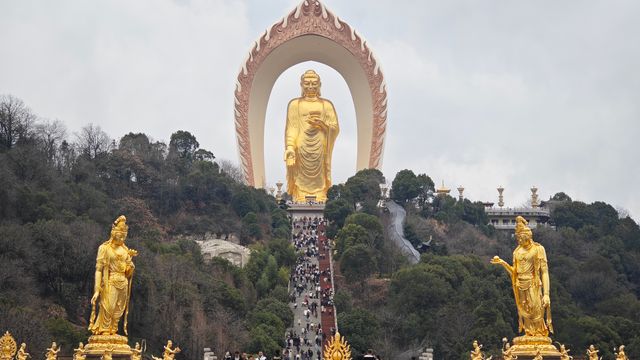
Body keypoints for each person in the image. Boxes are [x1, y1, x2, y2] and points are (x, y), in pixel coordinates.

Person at [491, 216, 552, 337]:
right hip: (520, 285)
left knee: (536, 309)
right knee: (524, 310)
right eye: (517, 237)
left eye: (521, 237)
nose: (518, 239)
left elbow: (544, 272)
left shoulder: (538, 249)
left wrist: (546, 294)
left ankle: (539, 335)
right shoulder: (517, 252)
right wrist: (503, 263)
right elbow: (515, 272)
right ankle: (529, 333)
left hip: (533, 284)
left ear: (528, 236)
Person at [284, 70, 340, 203]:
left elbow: (335, 127)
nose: (310, 87)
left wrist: (323, 125)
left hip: (320, 145)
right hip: (301, 145)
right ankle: (300, 194)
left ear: (319, 85)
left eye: (314, 84)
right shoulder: (295, 104)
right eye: (307, 84)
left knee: (320, 172)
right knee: (300, 172)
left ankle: (321, 193)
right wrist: (290, 148)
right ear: (301, 85)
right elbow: (291, 128)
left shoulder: (326, 105)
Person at [89, 215, 138, 335]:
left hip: (123, 282)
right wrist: (96, 290)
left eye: (124, 234)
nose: (122, 236)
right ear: (113, 232)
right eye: (119, 233)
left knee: (119, 308)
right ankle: (104, 330)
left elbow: (128, 272)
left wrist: (131, 266)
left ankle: (114, 329)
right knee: (108, 306)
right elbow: (99, 269)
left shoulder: (125, 250)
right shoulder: (104, 248)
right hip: (111, 281)